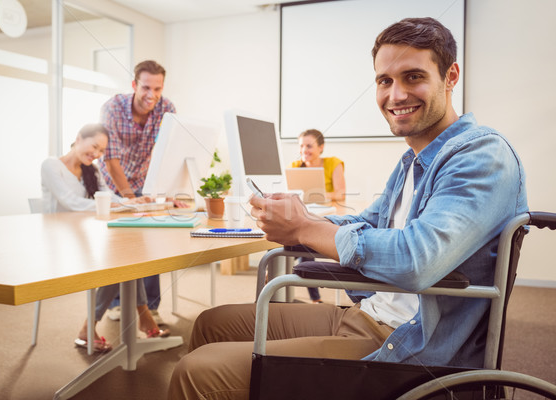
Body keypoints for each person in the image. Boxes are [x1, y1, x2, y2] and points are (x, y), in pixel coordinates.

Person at [167, 17, 528, 399]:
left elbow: (416, 259)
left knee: (197, 372)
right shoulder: (414, 160)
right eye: (384, 81)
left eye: (413, 77)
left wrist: (305, 230)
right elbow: (366, 222)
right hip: (370, 313)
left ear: (450, 76)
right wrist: (300, 219)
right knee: (211, 323)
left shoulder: (481, 155)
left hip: (409, 344)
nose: (396, 94)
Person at [41, 123, 170, 353]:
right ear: (79, 138)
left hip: (86, 235)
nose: (97, 154)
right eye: (95, 147)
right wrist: (113, 203)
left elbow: (107, 196)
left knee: (127, 254)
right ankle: (140, 316)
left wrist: (130, 201)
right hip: (60, 239)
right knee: (118, 258)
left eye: (102, 151)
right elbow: (70, 202)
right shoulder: (51, 165)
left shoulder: (92, 169)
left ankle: (106, 323)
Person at [97, 60, 177, 322]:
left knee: (150, 238)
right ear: (134, 85)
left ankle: (150, 307)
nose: (151, 95)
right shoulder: (112, 108)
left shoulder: (167, 109)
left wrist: (166, 190)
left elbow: (168, 152)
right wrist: (130, 199)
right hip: (113, 183)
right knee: (120, 243)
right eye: (145, 87)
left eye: (157, 88)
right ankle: (118, 303)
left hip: (144, 180)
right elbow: (111, 159)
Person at [290, 129, 346, 303]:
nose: (304, 150)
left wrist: (318, 195)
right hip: (303, 212)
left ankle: (314, 297)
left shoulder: (333, 163)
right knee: (288, 236)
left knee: (305, 238)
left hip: (326, 214)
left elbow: (341, 193)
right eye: (301, 146)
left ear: (321, 147)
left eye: (309, 146)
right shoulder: (295, 166)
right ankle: (274, 275)